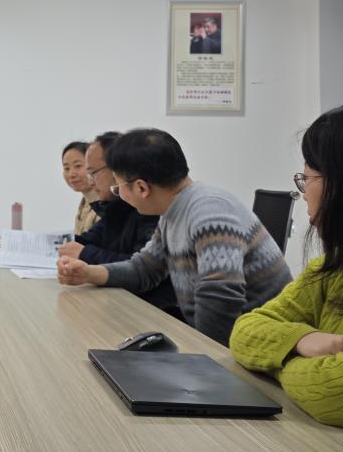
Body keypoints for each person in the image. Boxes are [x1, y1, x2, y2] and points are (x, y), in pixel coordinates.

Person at [230, 100, 343, 433]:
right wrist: (302, 340)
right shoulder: (337, 267)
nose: (304, 192)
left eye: (307, 178)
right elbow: (245, 330)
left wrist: (279, 356)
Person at [57, 128, 291, 346]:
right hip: (231, 339)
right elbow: (144, 269)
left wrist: (201, 359)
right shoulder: (172, 212)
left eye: (118, 188)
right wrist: (88, 273)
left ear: (141, 188)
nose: (119, 195)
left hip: (260, 345)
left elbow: (219, 297)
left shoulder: (209, 212)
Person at [57, 132, 178, 316]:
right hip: (124, 304)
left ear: (117, 170)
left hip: (150, 312)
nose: (90, 181)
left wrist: (84, 255)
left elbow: (141, 269)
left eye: (93, 172)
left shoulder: (150, 209)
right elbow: (86, 241)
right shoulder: (114, 207)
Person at [62, 141, 99, 236]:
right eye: (66, 168)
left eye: (78, 166)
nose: (71, 174)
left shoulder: (103, 202)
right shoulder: (85, 202)